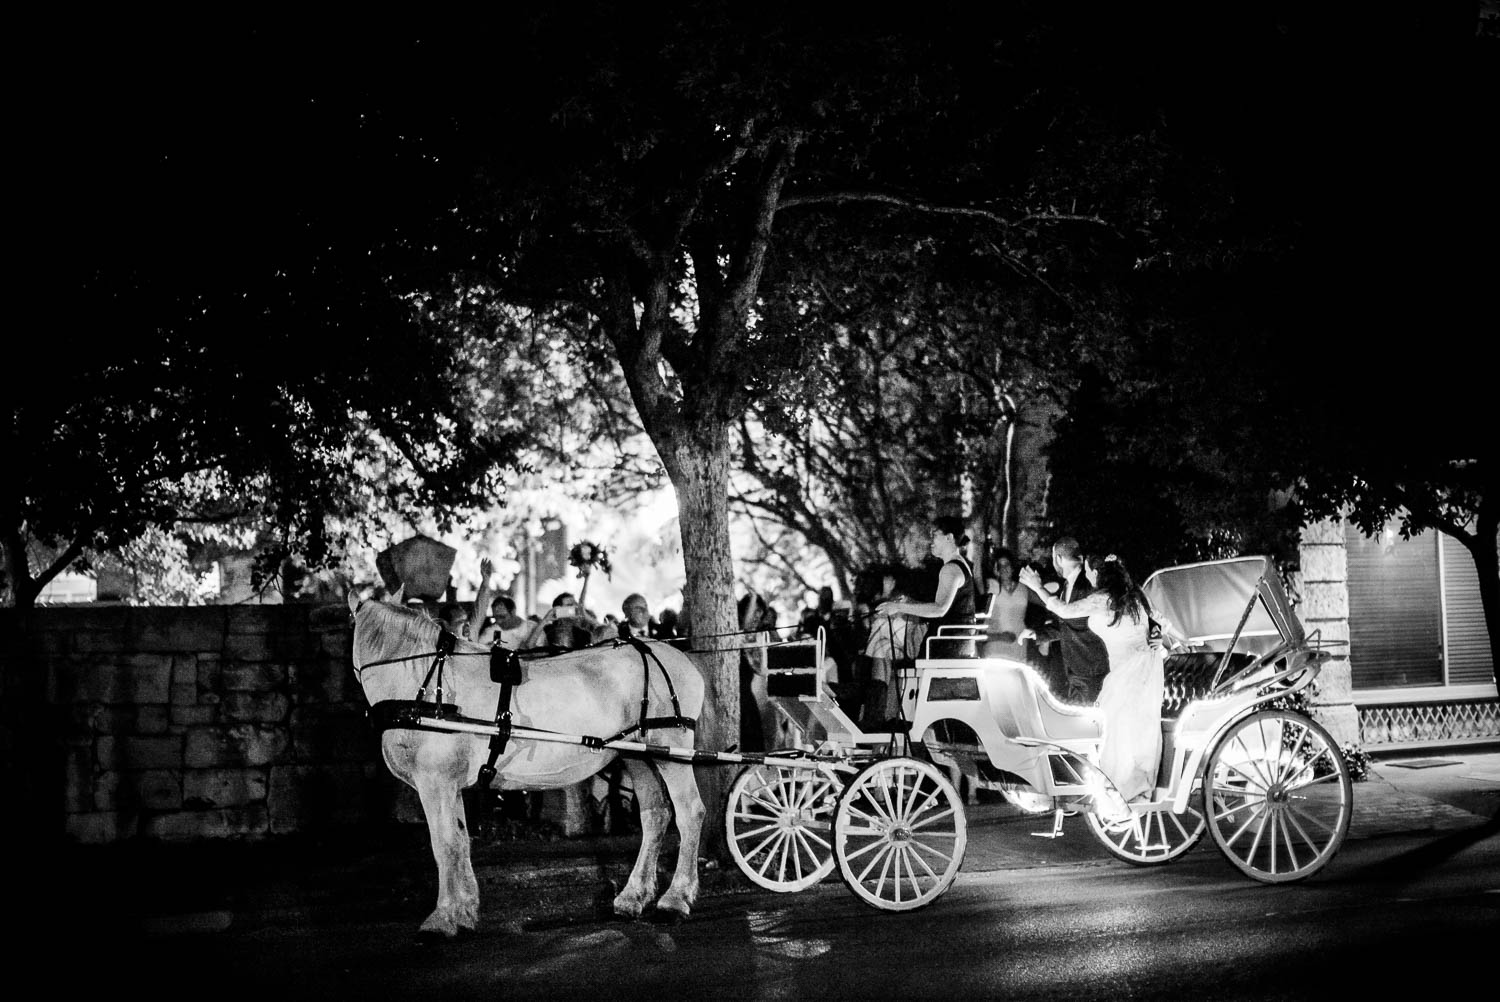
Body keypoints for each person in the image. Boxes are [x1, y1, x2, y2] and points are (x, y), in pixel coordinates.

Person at [1019, 552, 1164, 802]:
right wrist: (1157, 633)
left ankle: (1124, 791)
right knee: (1135, 729)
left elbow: (1063, 611)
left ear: (1097, 574)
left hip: (1129, 671)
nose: (1087, 575)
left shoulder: (1102, 598)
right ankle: (1134, 789)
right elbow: (1157, 622)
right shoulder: (1134, 595)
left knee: (1119, 730)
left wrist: (1036, 586)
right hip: (1143, 668)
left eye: (1088, 571)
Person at [871, 515, 980, 725]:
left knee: (892, 670)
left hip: (944, 646)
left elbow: (939, 609)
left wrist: (898, 607)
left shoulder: (951, 569)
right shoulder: (957, 567)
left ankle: (894, 723)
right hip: (950, 642)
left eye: (934, 535)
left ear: (949, 538)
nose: (931, 541)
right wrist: (910, 602)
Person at [1020, 536, 1110, 704]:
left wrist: (1037, 587)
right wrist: (1037, 633)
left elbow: (1073, 616)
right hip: (1074, 671)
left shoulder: (1088, 583)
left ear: (1058, 558)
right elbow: (1065, 624)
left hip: (1092, 669)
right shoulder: (1066, 586)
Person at [980, 546, 1035, 661]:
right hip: (995, 645)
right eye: (1000, 565)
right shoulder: (991, 586)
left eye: (1007, 565)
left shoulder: (1023, 588)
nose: (1004, 568)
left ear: (1013, 566)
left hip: (1018, 644)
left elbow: (1045, 603)